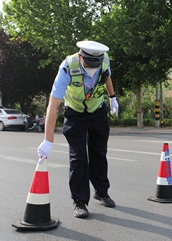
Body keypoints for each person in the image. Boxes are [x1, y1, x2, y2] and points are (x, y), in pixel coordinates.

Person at [37, 40, 119, 218]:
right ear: (81, 57)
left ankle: (101, 191)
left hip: (97, 111)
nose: (93, 69)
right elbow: (53, 105)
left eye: (95, 66)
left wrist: (113, 97)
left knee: (99, 153)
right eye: (89, 65)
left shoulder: (104, 60)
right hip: (75, 114)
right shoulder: (67, 67)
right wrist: (48, 139)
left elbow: (107, 76)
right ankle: (79, 201)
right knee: (78, 158)